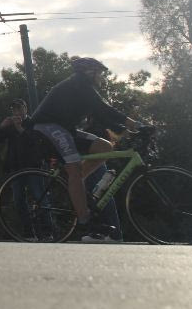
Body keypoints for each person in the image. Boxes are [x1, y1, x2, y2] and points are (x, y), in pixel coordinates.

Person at [30, 56, 142, 242]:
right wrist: (134, 123)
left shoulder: (83, 87)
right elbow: (102, 107)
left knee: (104, 147)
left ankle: (77, 183)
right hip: (46, 127)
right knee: (73, 166)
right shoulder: (79, 84)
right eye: (99, 73)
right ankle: (85, 221)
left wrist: (125, 129)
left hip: (65, 128)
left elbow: (101, 114)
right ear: (89, 73)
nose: (101, 77)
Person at [0, 98, 54, 240]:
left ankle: (48, 232)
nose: (17, 112)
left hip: (33, 166)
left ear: (25, 109)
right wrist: (2, 127)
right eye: (14, 109)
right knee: (19, 201)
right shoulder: (9, 126)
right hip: (15, 168)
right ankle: (29, 232)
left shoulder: (32, 123)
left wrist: (20, 128)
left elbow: (33, 142)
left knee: (40, 198)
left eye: (19, 108)